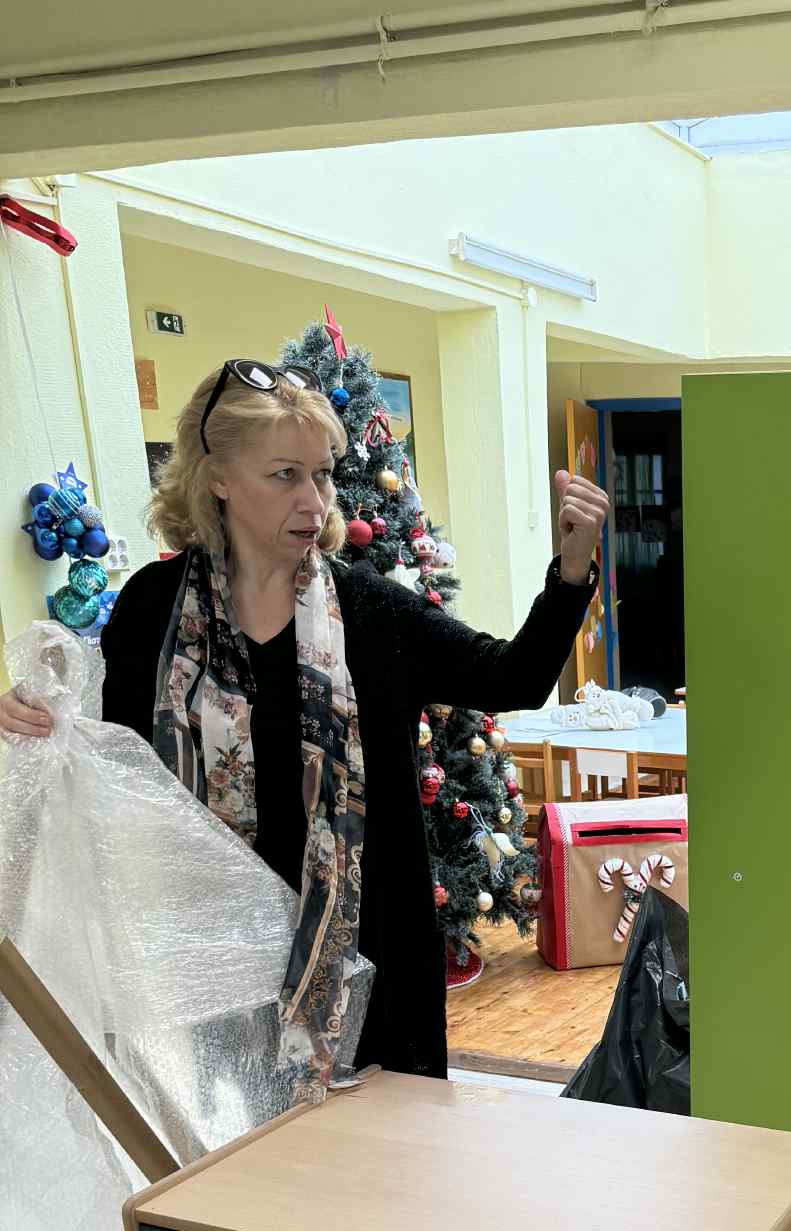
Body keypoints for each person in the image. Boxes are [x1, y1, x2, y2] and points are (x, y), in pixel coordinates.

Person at [0, 358, 608, 1090]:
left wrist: (571, 571)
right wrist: (35, 719)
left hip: (370, 965)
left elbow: (513, 679)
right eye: (284, 475)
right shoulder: (152, 610)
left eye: (321, 475)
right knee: (237, 1157)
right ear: (217, 478)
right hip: (210, 970)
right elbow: (114, 759)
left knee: (386, 1156)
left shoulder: (372, 611)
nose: (314, 501)